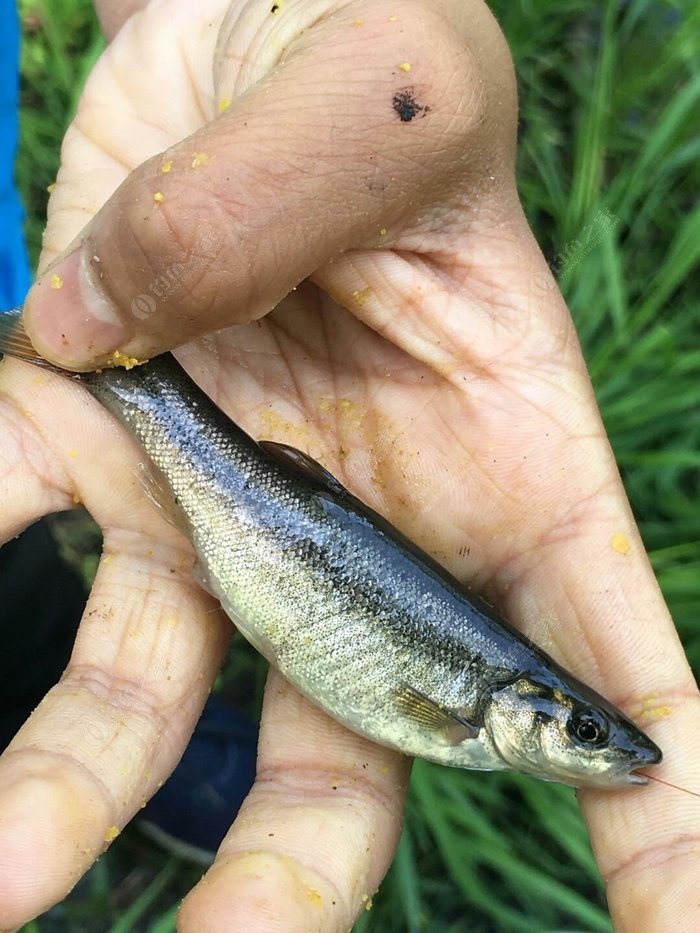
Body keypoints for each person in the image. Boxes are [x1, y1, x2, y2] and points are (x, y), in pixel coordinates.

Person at [1, 0, 698, 929]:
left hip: (51, 281)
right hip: (79, 317)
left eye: (586, 732)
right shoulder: (473, 722)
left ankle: (36, 656)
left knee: (23, 594)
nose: (596, 746)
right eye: (581, 728)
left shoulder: (486, 728)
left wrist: (192, 16)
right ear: (530, 711)